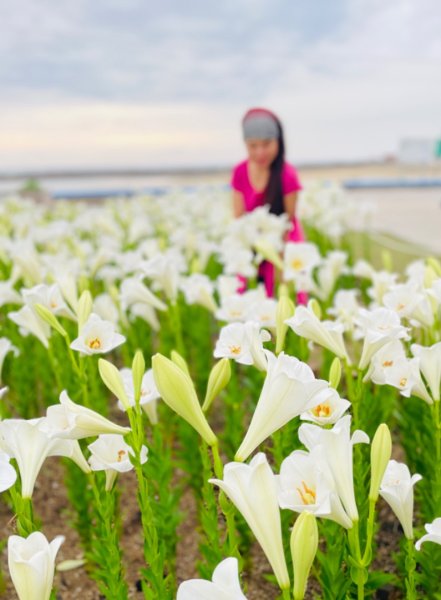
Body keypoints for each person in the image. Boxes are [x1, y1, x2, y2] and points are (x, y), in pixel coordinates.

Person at [230, 107, 306, 298]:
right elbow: (238, 219)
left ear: (278, 141)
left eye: (266, 144)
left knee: (282, 295)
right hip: (251, 241)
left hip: (283, 242)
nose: (260, 152)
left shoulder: (287, 174)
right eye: (253, 146)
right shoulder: (240, 172)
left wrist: (278, 258)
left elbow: (289, 222)